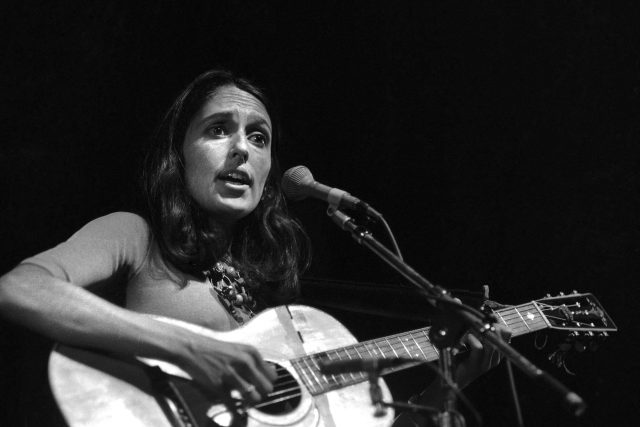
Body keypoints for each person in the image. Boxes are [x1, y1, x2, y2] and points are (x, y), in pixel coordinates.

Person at [0, 69, 505, 426]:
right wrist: (185, 346)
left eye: (258, 138)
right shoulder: (135, 236)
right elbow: (19, 289)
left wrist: (444, 388)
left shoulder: (273, 313)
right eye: (218, 130)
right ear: (180, 155)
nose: (242, 148)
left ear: (268, 172)